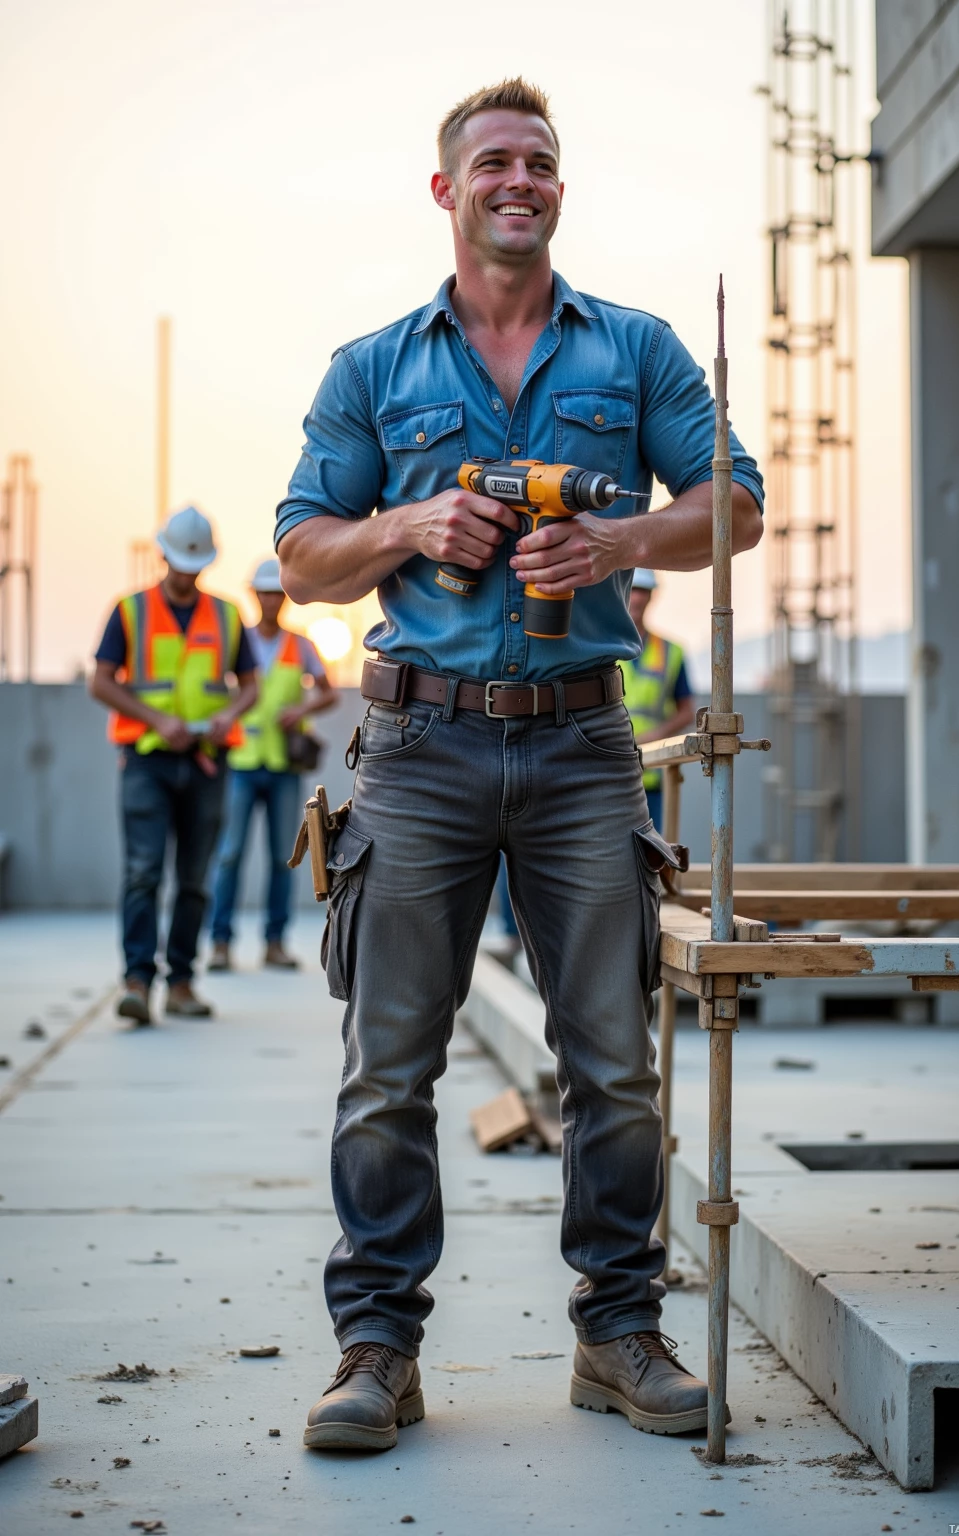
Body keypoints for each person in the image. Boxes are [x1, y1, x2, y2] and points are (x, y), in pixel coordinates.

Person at [276, 78, 764, 1452]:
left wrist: (615, 545)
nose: (519, 180)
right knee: (388, 1068)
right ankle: (377, 1351)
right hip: (419, 749)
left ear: (560, 188)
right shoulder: (375, 367)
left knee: (615, 1063)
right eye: (492, 161)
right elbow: (304, 552)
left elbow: (737, 507)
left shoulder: (640, 352)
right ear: (447, 190)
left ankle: (619, 1335)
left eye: (540, 163)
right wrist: (412, 522)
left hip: (581, 748)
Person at [89, 507, 258, 1025]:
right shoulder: (130, 612)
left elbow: (248, 687)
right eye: (182, 563)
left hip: (207, 762)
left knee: (194, 878)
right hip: (147, 761)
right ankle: (137, 980)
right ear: (162, 555)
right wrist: (156, 721)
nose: (188, 573)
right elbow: (101, 681)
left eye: (196, 565)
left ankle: (181, 982)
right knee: (142, 872)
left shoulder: (227, 617)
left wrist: (223, 717)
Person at [208, 557, 336, 971]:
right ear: (253, 595)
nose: (269, 600)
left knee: (284, 855)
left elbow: (328, 692)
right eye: (263, 592)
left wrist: (301, 709)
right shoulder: (235, 642)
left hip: (283, 764)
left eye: (275, 593)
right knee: (229, 855)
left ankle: (275, 941)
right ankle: (221, 942)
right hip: (242, 761)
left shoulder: (300, 645)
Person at [621, 569, 695, 831]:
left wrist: (655, 736)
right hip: (606, 771)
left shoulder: (671, 652)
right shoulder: (600, 650)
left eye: (642, 590)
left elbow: (687, 711)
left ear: (651, 596)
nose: (636, 598)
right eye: (632, 589)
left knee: (651, 857)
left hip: (652, 774)